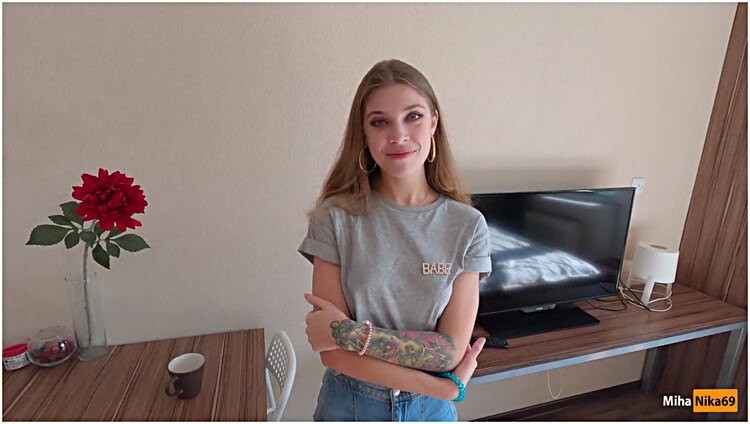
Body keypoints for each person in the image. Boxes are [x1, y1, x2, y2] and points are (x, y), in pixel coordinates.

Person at [298, 59, 492, 421]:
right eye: (379, 122)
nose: (398, 135)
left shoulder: (467, 226)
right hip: (350, 406)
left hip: (430, 411)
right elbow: (331, 352)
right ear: (364, 134)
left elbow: (449, 351)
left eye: (413, 116)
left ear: (434, 123)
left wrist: (349, 333)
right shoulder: (335, 218)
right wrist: (443, 388)